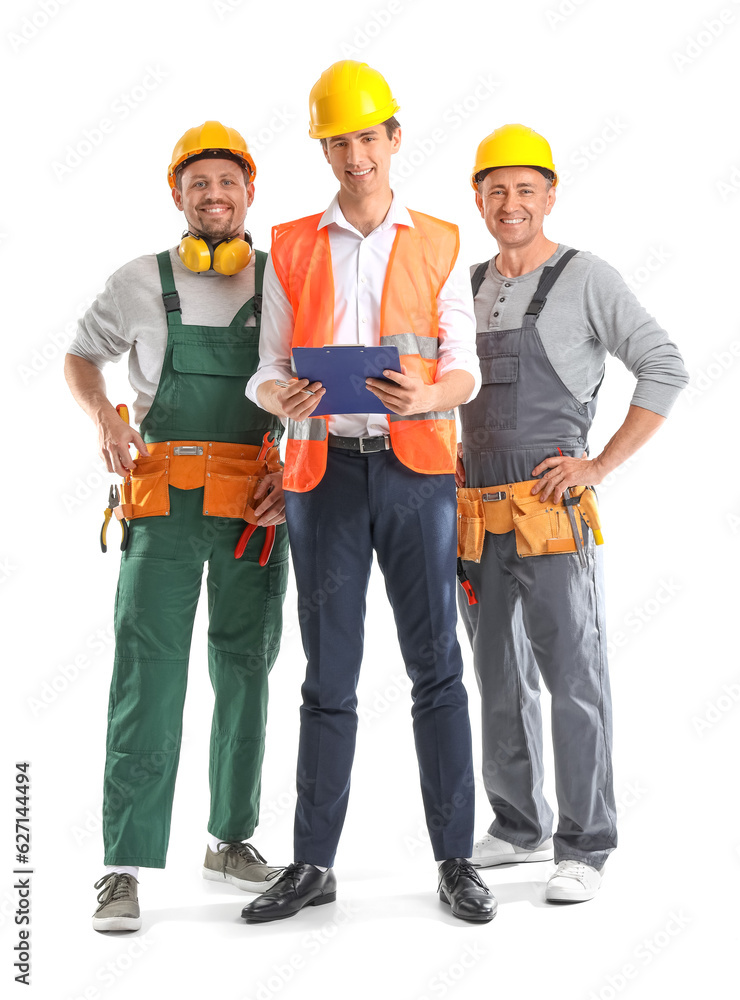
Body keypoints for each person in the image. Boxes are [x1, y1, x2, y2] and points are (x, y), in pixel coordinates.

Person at [240, 60, 494, 924]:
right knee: (329, 675)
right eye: (336, 142)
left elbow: (465, 366)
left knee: (437, 670)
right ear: (324, 148)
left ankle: (456, 859)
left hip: (417, 468)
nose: (354, 157)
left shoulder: (441, 241)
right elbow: (266, 368)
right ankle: (314, 865)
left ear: (394, 135)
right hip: (325, 476)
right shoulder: (291, 244)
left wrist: (431, 394)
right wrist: (281, 397)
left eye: (366, 138)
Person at [64, 121, 290, 932]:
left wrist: (294, 482)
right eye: (200, 185)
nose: (215, 196)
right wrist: (103, 416)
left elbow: (313, 393)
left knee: (246, 670)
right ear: (178, 196)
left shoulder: (282, 281)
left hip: (253, 508)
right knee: (147, 676)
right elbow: (81, 355)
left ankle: (231, 839)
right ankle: (121, 867)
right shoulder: (138, 279)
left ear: (249, 192)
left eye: (228, 182)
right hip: (161, 501)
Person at [457, 124, 688, 902]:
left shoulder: (587, 277)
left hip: (551, 510)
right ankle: (519, 825)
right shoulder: (467, 284)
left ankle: (585, 844)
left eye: (525, 189)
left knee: (572, 675)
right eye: (496, 190)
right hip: (475, 512)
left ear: (550, 196)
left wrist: (598, 465)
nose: (510, 203)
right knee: (496, 674)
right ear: (478, 200)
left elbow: (664, 366)